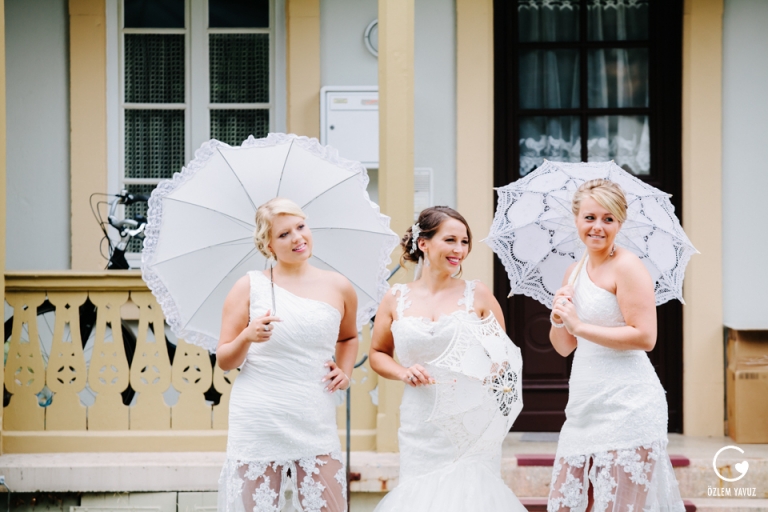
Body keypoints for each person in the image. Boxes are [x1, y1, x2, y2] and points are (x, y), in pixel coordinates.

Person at [369, 206, 527, 512]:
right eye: (451, 240)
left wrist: (485, 372)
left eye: (465, 242)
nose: (460, 250)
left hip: (468, 420)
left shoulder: (478, 295)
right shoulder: (395, 297)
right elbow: (377, 354)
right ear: (424, 243)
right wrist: (402, 372)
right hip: (419, 421)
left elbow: (503, 363)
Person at [547, 179, 685, 512]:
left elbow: (645, 336)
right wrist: (558, 318)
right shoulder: (573, 271)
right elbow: (564, 347)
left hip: (628, 403)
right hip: (584, 405)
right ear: (577, 219)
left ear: (619, 223)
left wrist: (580, 324)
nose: (598, 226)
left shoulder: (628, 266)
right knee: (567, 503)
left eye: (608, 219)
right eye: (590, 217)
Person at [216, 198, 358, 512]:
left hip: (314, 413)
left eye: (300, 227)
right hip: (260, 417)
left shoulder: (339, 286)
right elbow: (225, 359)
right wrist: (248, 335)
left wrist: (345, 372)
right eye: (284, 234)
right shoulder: (248, 287)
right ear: (267, 244)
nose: (297, 238)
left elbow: (348, 337)